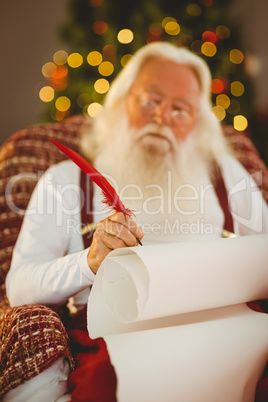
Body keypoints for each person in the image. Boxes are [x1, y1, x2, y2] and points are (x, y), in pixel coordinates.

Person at [3, 41, 268, 400]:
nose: (161, 117)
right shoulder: (64, 180)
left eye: (180, 109)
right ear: (121, 103)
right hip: (118, 334)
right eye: (149, 101)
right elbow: (19, 286)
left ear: (196, 123)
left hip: (236, 332)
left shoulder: (229, 175)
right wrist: (89, 262)